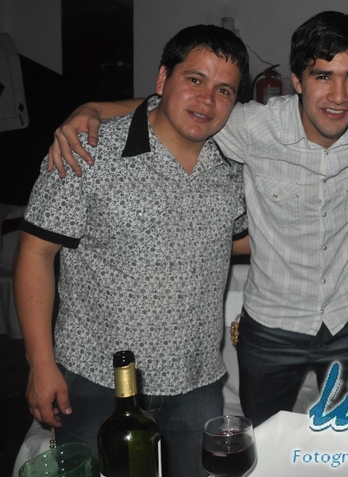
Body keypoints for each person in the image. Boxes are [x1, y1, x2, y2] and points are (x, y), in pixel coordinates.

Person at [46, 11, 348, 428]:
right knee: (265, 439)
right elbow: (180, 106)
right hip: (272, 326)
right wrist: (92, 109)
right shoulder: (252, 126)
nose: (338, 95)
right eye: (323, 76)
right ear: (298, 81)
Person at [14, 25, 250, 477]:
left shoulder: (232, 165)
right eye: (194, 79)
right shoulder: (88, 150)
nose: (207, 100)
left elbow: (236, 237)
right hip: (95, 381)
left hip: (196, 382)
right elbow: (35, 253)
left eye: (224, 90)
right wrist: (40, 364)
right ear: (162, 79)